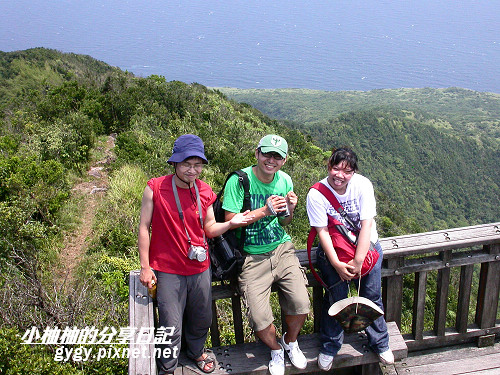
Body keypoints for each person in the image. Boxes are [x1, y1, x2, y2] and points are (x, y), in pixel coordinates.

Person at [138, 134, 252, 375]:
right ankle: (168, 366)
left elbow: (210, 229)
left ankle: (196, 351)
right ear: (175, 164)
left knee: (202, 318)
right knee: (171, 324)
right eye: (186, 164)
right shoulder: (155, 188)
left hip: (200, 267)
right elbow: (143, 227)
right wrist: (145, 267)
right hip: (168, 269)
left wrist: (233, 223)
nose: (192, 170)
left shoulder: (204, 191)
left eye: (197, 165)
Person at [222, 134, 310, 375]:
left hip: (281, 249)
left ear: (284, 160)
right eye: (267, 154)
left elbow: (284, 222)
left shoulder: (284, 181)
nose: (271, 160)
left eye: (277, 157)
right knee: (260, 319)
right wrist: (264, 210)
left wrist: (289, 209)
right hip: (250, 256)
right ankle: (275, 349)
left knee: (301, 304)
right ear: (257, 154)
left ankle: (290, 342)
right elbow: (230, 221)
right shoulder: (240, 181)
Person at [306, 147, 394, 371]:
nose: (340, 175)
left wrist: (358, 261)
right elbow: (322, 232)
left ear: (354, 172)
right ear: (328, 167)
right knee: (336, 300)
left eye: (347, 171)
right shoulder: (317, 194)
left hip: (366, 250)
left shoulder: (362, 185)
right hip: (333, 253)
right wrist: (336, 264)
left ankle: (380, 343)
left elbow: (367, 224)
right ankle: (330, 346)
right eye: (336, 168)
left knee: (372, 297)